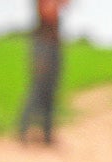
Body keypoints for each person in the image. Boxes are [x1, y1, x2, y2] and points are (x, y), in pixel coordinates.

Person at [17, 0, 70, 145]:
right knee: (38, 90)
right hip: (43, 46)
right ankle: (23, 131)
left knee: (50, 92)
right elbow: (49, 12)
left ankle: (47, 134)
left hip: (53, 45)